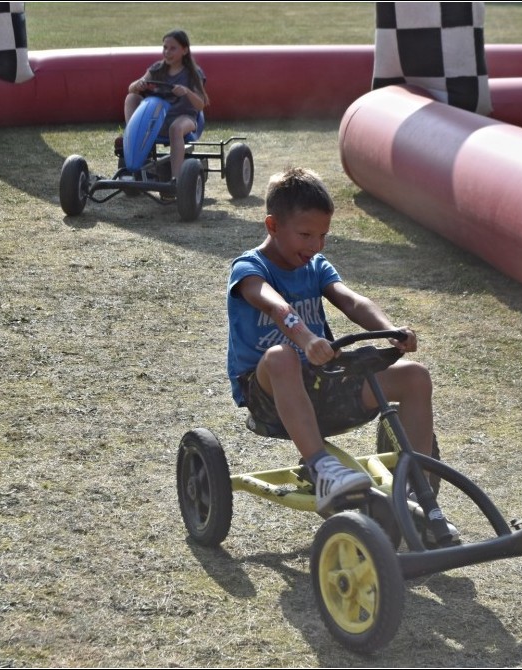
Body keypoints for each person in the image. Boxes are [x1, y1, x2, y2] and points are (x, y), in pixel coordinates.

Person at [227, 168, 439, 517]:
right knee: (282, 356)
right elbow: (276, 307)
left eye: (323, 235)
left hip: (321, 384)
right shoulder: (250, 268)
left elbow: (352, 301)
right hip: (268, 393)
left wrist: (390, 330)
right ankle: (322, 469)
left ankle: (419, 488)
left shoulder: (316, 266)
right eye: (306, 235)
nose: (316, 245)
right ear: (273, 226)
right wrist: (307, 339)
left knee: (415, 376)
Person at [123, 29, 208, 191]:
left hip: (184, 117)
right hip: (158, 117)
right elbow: (131, 88)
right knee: (131, 97)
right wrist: (139, 84)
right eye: (165, 48)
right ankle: (132, 139)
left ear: (185, 50)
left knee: (175, 128)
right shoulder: (157, 68)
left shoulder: (193, 73)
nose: (167, 52)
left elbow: (200, 105)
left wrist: (186, 91)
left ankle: (176, 180)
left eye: (173, 48)